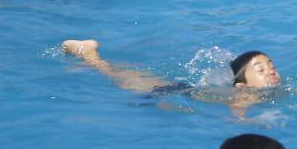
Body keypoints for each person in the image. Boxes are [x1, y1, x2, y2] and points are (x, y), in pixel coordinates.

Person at [61, 40, 282, 116]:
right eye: (260, 70)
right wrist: (250, 121)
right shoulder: (245, 94)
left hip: (185, 91)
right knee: (125, 82)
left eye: (271, 65)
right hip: (178, 93)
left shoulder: (258, 92)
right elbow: (238, 113)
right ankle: (89, 55)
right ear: (242, 84)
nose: (270, 70)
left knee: (134, 79)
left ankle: (92, 56)